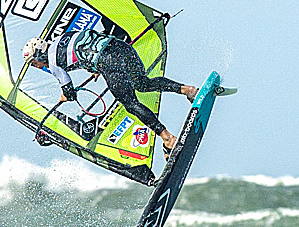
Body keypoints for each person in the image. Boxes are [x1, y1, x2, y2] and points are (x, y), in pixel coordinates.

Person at [22, 30, 197, 154]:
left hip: (108, 61)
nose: (37, 67)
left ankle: (167, 138)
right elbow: (84, 45)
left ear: (39, 55)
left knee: (131, 104)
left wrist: (64, 97)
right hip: (121, 47)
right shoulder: (63, 37)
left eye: (34, 63)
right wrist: (94, 67)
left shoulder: (53, 63)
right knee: (143, 83)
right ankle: (187, 90)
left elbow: (69, 92)